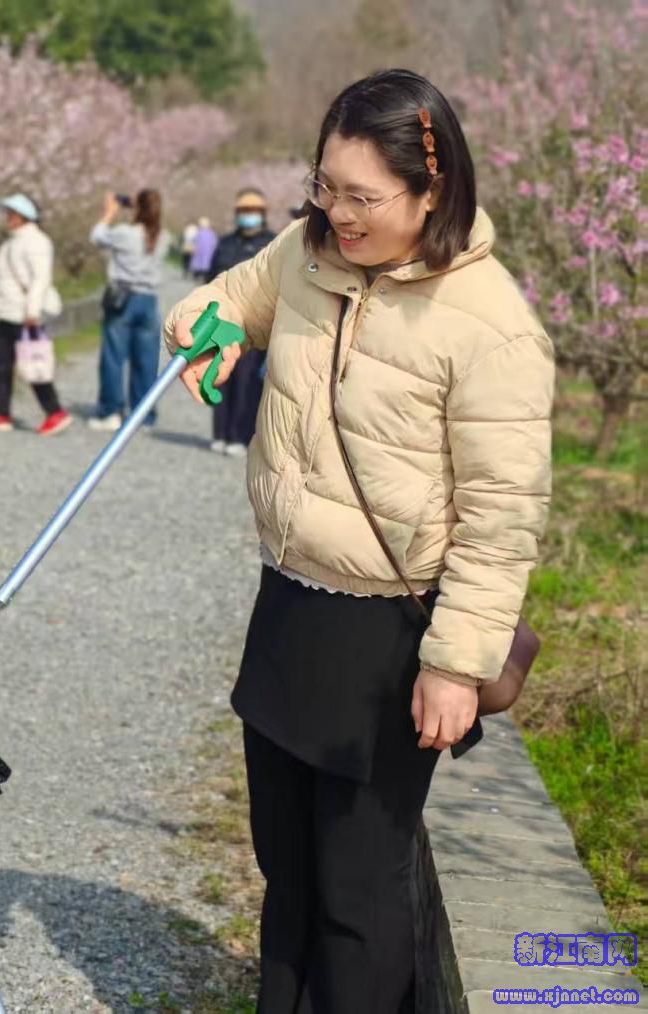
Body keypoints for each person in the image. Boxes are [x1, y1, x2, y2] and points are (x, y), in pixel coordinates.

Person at [163, 69, 554, 1012]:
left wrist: (454, 665)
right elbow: (222, 301)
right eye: (324, 186)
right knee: (286, 863)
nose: (337, 213)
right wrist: (209, 328)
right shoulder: (304, 254)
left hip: (389, 636)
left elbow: (501, 520)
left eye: (362, 197)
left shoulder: (492, 325)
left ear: (431, 190)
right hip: (289, 602)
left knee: (358, 886)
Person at [0, 193, 71, 436]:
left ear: (24, 216)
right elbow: (1, 283)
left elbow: (41, 278)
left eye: (13, 214)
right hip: (6, 312)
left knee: (33, 364)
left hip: (25, 315)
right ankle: (2, 413)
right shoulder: (8, 245)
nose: (8, 218)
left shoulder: (37, 242)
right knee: (1, 365)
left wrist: (32, 310)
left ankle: (55, 412)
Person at [87, 189, 170, 432]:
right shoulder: (163, 236)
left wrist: (109, 212)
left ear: (137, 208)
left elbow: (96, 236)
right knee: (146, 361)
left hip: (123, 300)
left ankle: (110, 411)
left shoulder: (126, 233)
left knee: (114, 358)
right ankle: (143, 415)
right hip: (149, 301)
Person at [206, 188, 277, 457]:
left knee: (247, 382)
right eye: (244, 211)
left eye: (254, 210)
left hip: (254, 325)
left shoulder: (272, 245)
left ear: (262, 213)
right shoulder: (225, 243)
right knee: (220, 377)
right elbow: (211, 280)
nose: (249, 215)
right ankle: (220, 433)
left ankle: (240, 436)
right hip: (221, 324)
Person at [188, 215, 219, 281]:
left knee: (200, 264)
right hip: (206, 253)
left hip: (202, 252)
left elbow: (193, 241)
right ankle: (201, 275)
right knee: (204, 264)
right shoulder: (210, 233)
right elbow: (215, 243)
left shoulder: (200, 233)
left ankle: (198, 275)